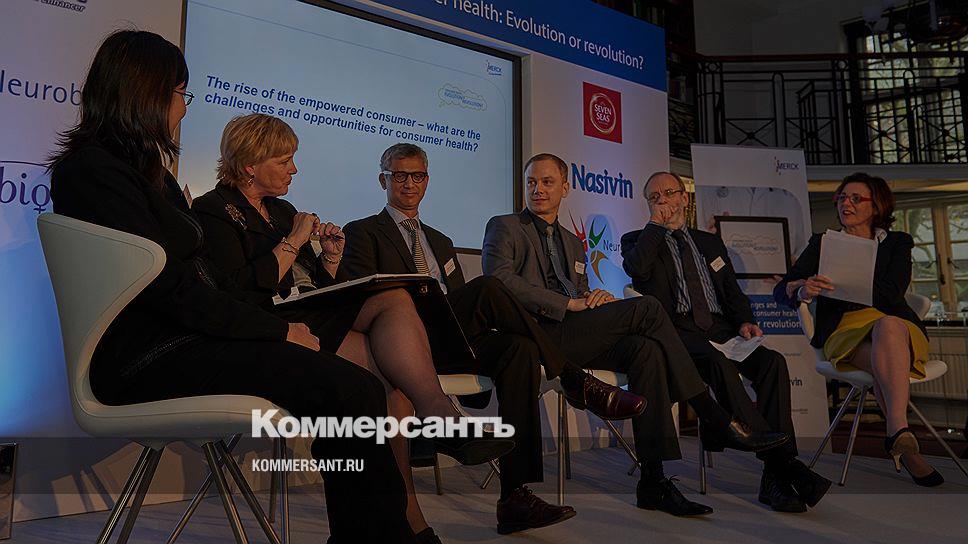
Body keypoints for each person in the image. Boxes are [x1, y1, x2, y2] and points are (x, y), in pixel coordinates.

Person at [47, 30, 418, 543]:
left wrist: (277, 323)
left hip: (183, 339)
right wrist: (276, 331)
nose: (184, 107)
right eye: (181, 93)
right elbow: (169, 288)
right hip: (147, 356)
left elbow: (202, 285)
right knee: (350, 389)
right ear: (146, 93)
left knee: (357, 385)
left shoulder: (146, 172)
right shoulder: (93, 172)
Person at [193, 116, 513, 544]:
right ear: (250, 164)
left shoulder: (282, 211)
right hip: (270, 326)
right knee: (392, 318)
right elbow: (240, 290)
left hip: (311, 312)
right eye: (285, 161)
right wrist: (294, 242)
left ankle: (411, 520)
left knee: (392, 379)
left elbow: (312, 285)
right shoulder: (214, 209)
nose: (294, 170)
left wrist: (328, 258)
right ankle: (439, 420)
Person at [342, 143, 646, 534]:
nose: (409, 183)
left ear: (427, 181)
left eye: (417, 175)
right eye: (399, 175)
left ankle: (514, 496)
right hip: (401, 343)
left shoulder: (440, 240)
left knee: (519, 349)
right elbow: (362, 299)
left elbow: (457, 302)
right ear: (383, 180)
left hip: (448, 340)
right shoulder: (362, 231)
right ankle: (572, 377)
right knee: (489, 286)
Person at [482, 153, 790, 517]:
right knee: (648, 308)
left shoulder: (572, 242)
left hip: (575, 333)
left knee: (647, 351)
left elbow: (578, 290)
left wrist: (592, 297)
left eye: (547, 182)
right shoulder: (505, 226)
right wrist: (568, 304)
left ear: (565, 188)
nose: (538, 189)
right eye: (532, 182)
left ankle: (653, 481)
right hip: (538, 336)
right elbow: (499, 281)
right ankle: (712, 414)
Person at [621, 171, 832, 512]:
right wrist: (655, 227)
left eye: (669, 193)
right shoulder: (637, 240)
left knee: (773, 363)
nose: (662, 201)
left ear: (684, 198)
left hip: (722, 329)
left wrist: (746, 321)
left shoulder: (709, 243)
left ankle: (774, 473)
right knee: (715, 360)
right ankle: (783, 467)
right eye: (654, 197)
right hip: (677, 331)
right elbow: (637, 270)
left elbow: (732, 292)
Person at [775, 172, 942, 487]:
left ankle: (898, 435)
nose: (846, 204)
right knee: (886, 363)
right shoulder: (822, 243)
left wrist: (845, 278)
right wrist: (803, 289)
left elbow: (892, 294)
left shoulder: (897, 242)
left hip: (896, 325)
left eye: (855, 198)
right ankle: (899, 434)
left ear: (876, 206)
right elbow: (783, 290)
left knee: (888, 327)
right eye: (842, 197)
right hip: (846, 332)